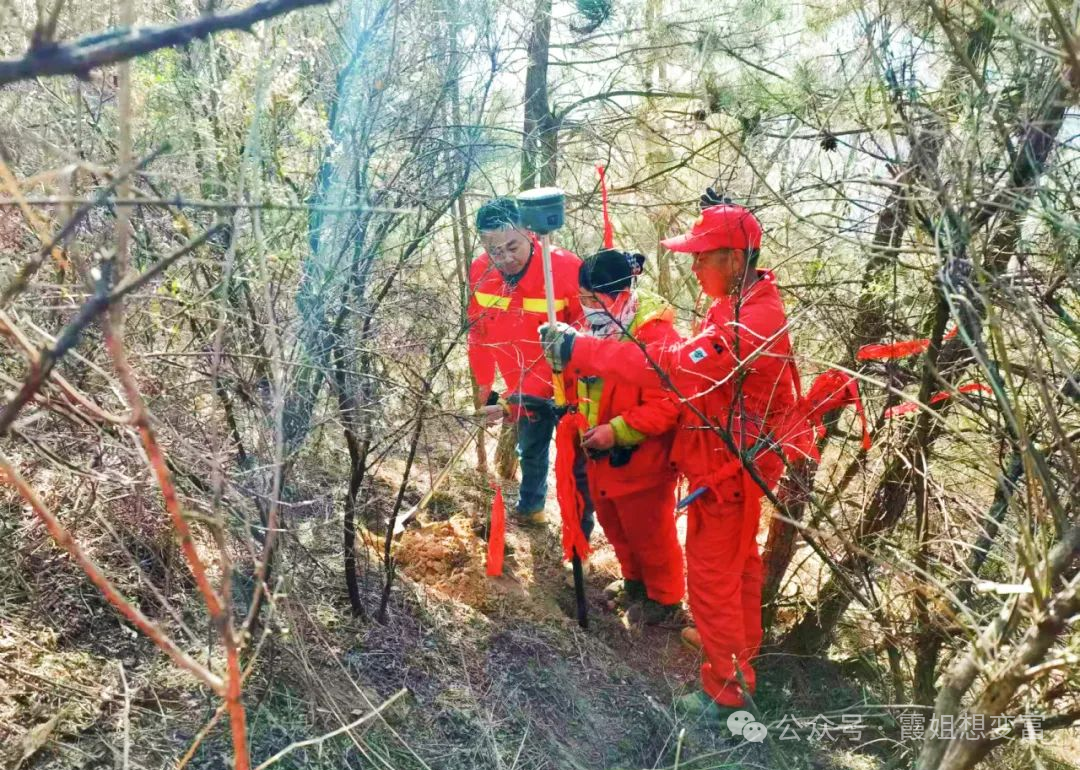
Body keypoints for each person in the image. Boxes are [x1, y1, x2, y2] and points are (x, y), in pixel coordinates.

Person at [540, 197, 812, 718]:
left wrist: (581, 351)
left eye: (702, 258)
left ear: (734, 258)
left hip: (730, 471)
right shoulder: (737, 302)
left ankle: (726, 693)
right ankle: (733, 654)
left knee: (712, 581)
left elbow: (670, 368)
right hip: (722, 462)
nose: (693, 267)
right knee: (738, 571)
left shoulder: (751, 322)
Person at [467, 197, 594, 538]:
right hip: (518, 384)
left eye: (512, 246)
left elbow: (591, 333)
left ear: (529, 232)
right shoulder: (480, 272)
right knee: (531, 450)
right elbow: (478, 334)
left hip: (568, 385)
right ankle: (532, 509)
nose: (505, 258)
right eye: (495, 250)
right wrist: (485, 388)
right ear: (483, 244)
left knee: (577, 462)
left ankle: (579, 533)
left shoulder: (564, 268)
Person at [574, 248, 684, 624]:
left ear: (618, 297)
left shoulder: (657, 335)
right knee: (616, 526)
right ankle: (634, 582)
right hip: (601, 458)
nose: (585, 308)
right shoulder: (596, 327)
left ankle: (666, 602)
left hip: (643, 462)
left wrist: (618, 431)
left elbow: (668, 404)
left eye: (591, 300)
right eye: (581, 299)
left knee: (651, 534)